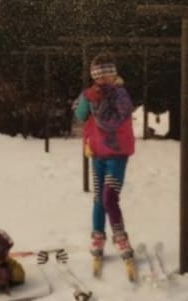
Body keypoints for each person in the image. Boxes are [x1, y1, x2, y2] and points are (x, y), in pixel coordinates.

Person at [74, 53, 136, 261]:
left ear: (113, 75)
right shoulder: (92, 93)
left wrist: (102, 99)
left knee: (110, 197)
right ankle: (98, 236)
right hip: (97, 153)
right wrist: (86, 99)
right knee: (99, 197)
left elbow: (114, 120)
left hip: (117, 153)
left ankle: (120, 237)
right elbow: (80, 115)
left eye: (106, 76)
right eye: (98, 77)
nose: (102, 80)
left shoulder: (121, 94)